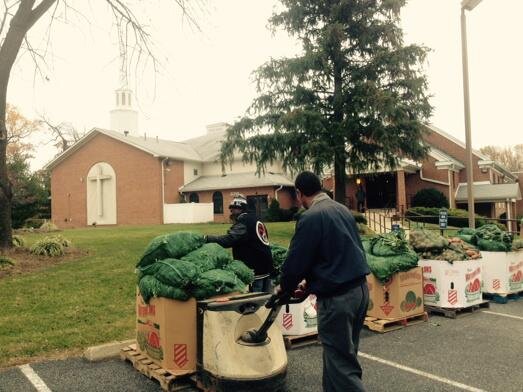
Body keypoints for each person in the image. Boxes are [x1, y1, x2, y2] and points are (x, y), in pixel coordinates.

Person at [276, 171, 370, 392]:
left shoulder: (310, 217)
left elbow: (296, 262)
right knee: (339, 357)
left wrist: (284, 287)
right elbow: (338, 254)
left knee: (341, 365)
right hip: (359, 291)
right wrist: (309, 286)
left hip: (338, 300)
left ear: (299, 194)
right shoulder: (342, 209)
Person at [205, 195, 274, 292]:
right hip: (266, 264)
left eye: (234, 209)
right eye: (231, 209)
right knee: (265, 299)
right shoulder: (255, 218)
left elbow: (230, 239)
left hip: (255, 267)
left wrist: (207, 238)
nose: (231, 212)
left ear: (241, 209)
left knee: (254, 301)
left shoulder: (243, 221)